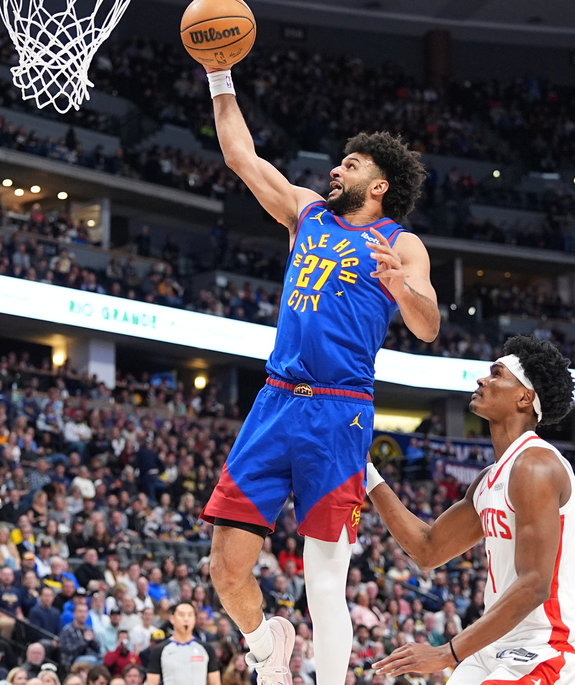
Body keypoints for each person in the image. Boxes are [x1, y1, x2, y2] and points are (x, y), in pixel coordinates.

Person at [195, 59, 439, 685]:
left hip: (338, 408)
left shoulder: (400, 243)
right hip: (276, 401)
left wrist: (400, 288)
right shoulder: (307, 213)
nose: (336, 169)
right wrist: (219, 75)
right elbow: (241, 157)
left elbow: (429, 325)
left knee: (324, 579)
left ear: (379, 185)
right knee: (225, 566)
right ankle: (265, 643)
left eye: (352, 165)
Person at [368, 336, 575, 684]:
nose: (482, 380)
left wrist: (446, 653)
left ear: (524, 397)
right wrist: (366, 473)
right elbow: (428, 549)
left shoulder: (536, 465)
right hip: (495, 647)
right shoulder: (490, 479)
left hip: (549, 648)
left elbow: (535, 584)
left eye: (497, 374)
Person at [145, 602, 219, 685]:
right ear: (172, 619)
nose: (186, 619)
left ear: (194, 619)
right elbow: (152, 682)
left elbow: (215, 682)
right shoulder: (159, 650)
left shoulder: (206, 649)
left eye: (190, 615)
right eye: (181, 615)